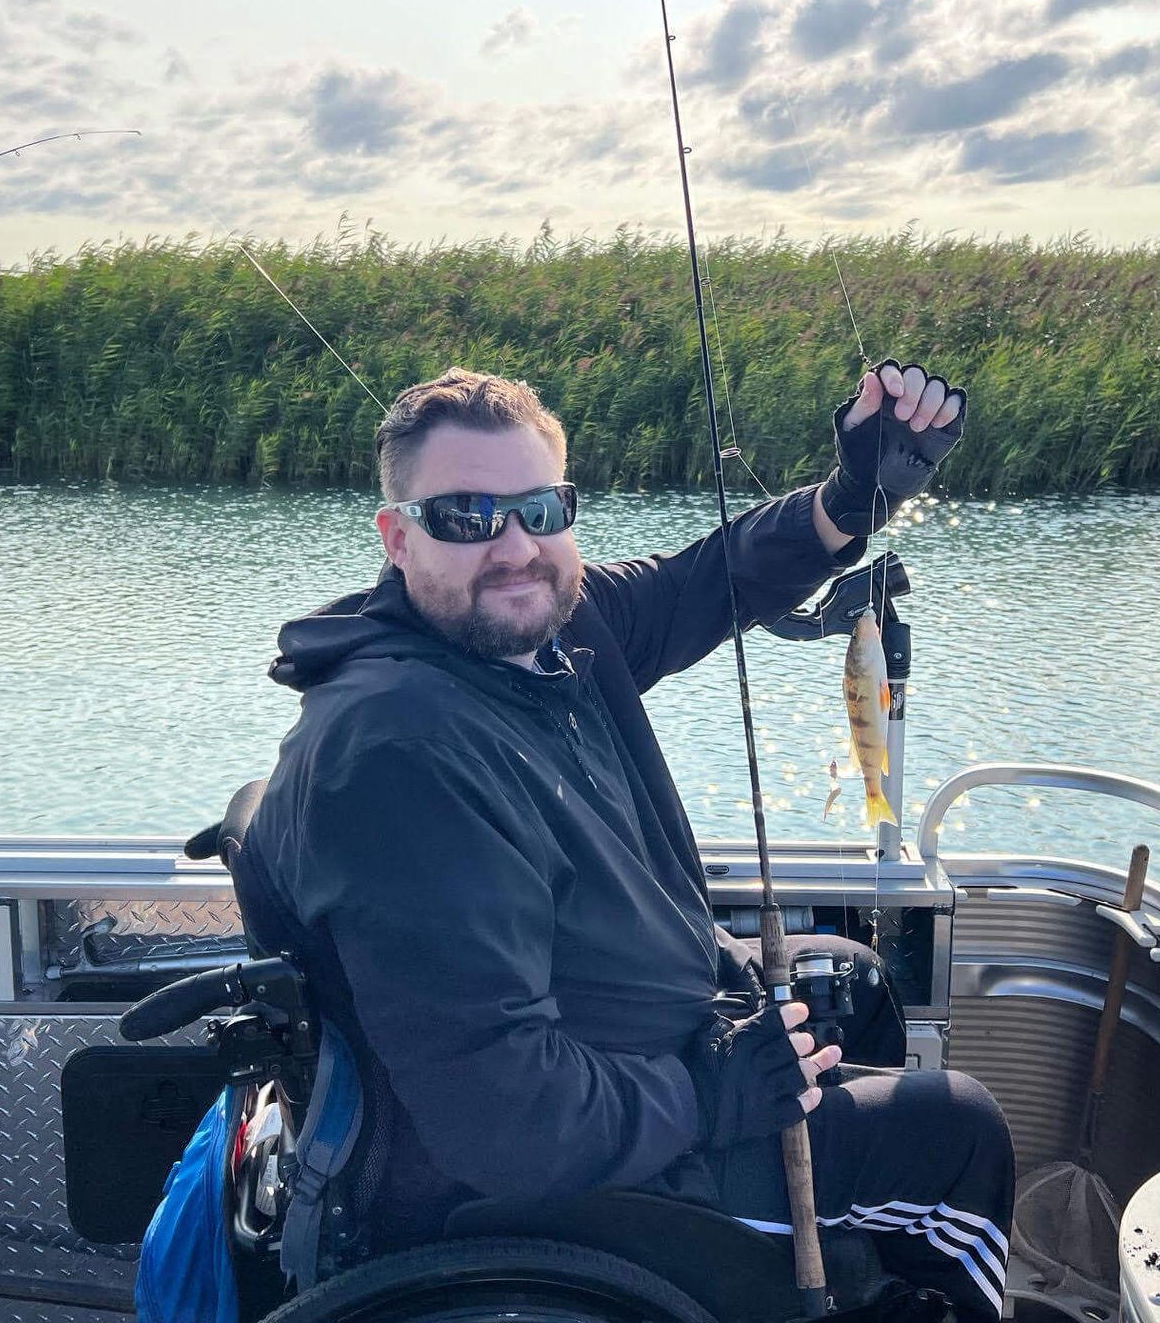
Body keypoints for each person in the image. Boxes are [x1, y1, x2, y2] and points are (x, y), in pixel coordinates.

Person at [243, 361, 1015, 1321]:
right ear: (398, 539)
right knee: (958, 1133)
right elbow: (502, 1116)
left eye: (539, 507)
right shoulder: (400, 752)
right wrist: (713, 1092)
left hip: (644, 1050)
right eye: (466, 518)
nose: (514, 547)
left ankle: (847, 1275)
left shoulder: (549, 631)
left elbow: (711, 580)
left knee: (851, 982)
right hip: (565, 1192)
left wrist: (850, 500)